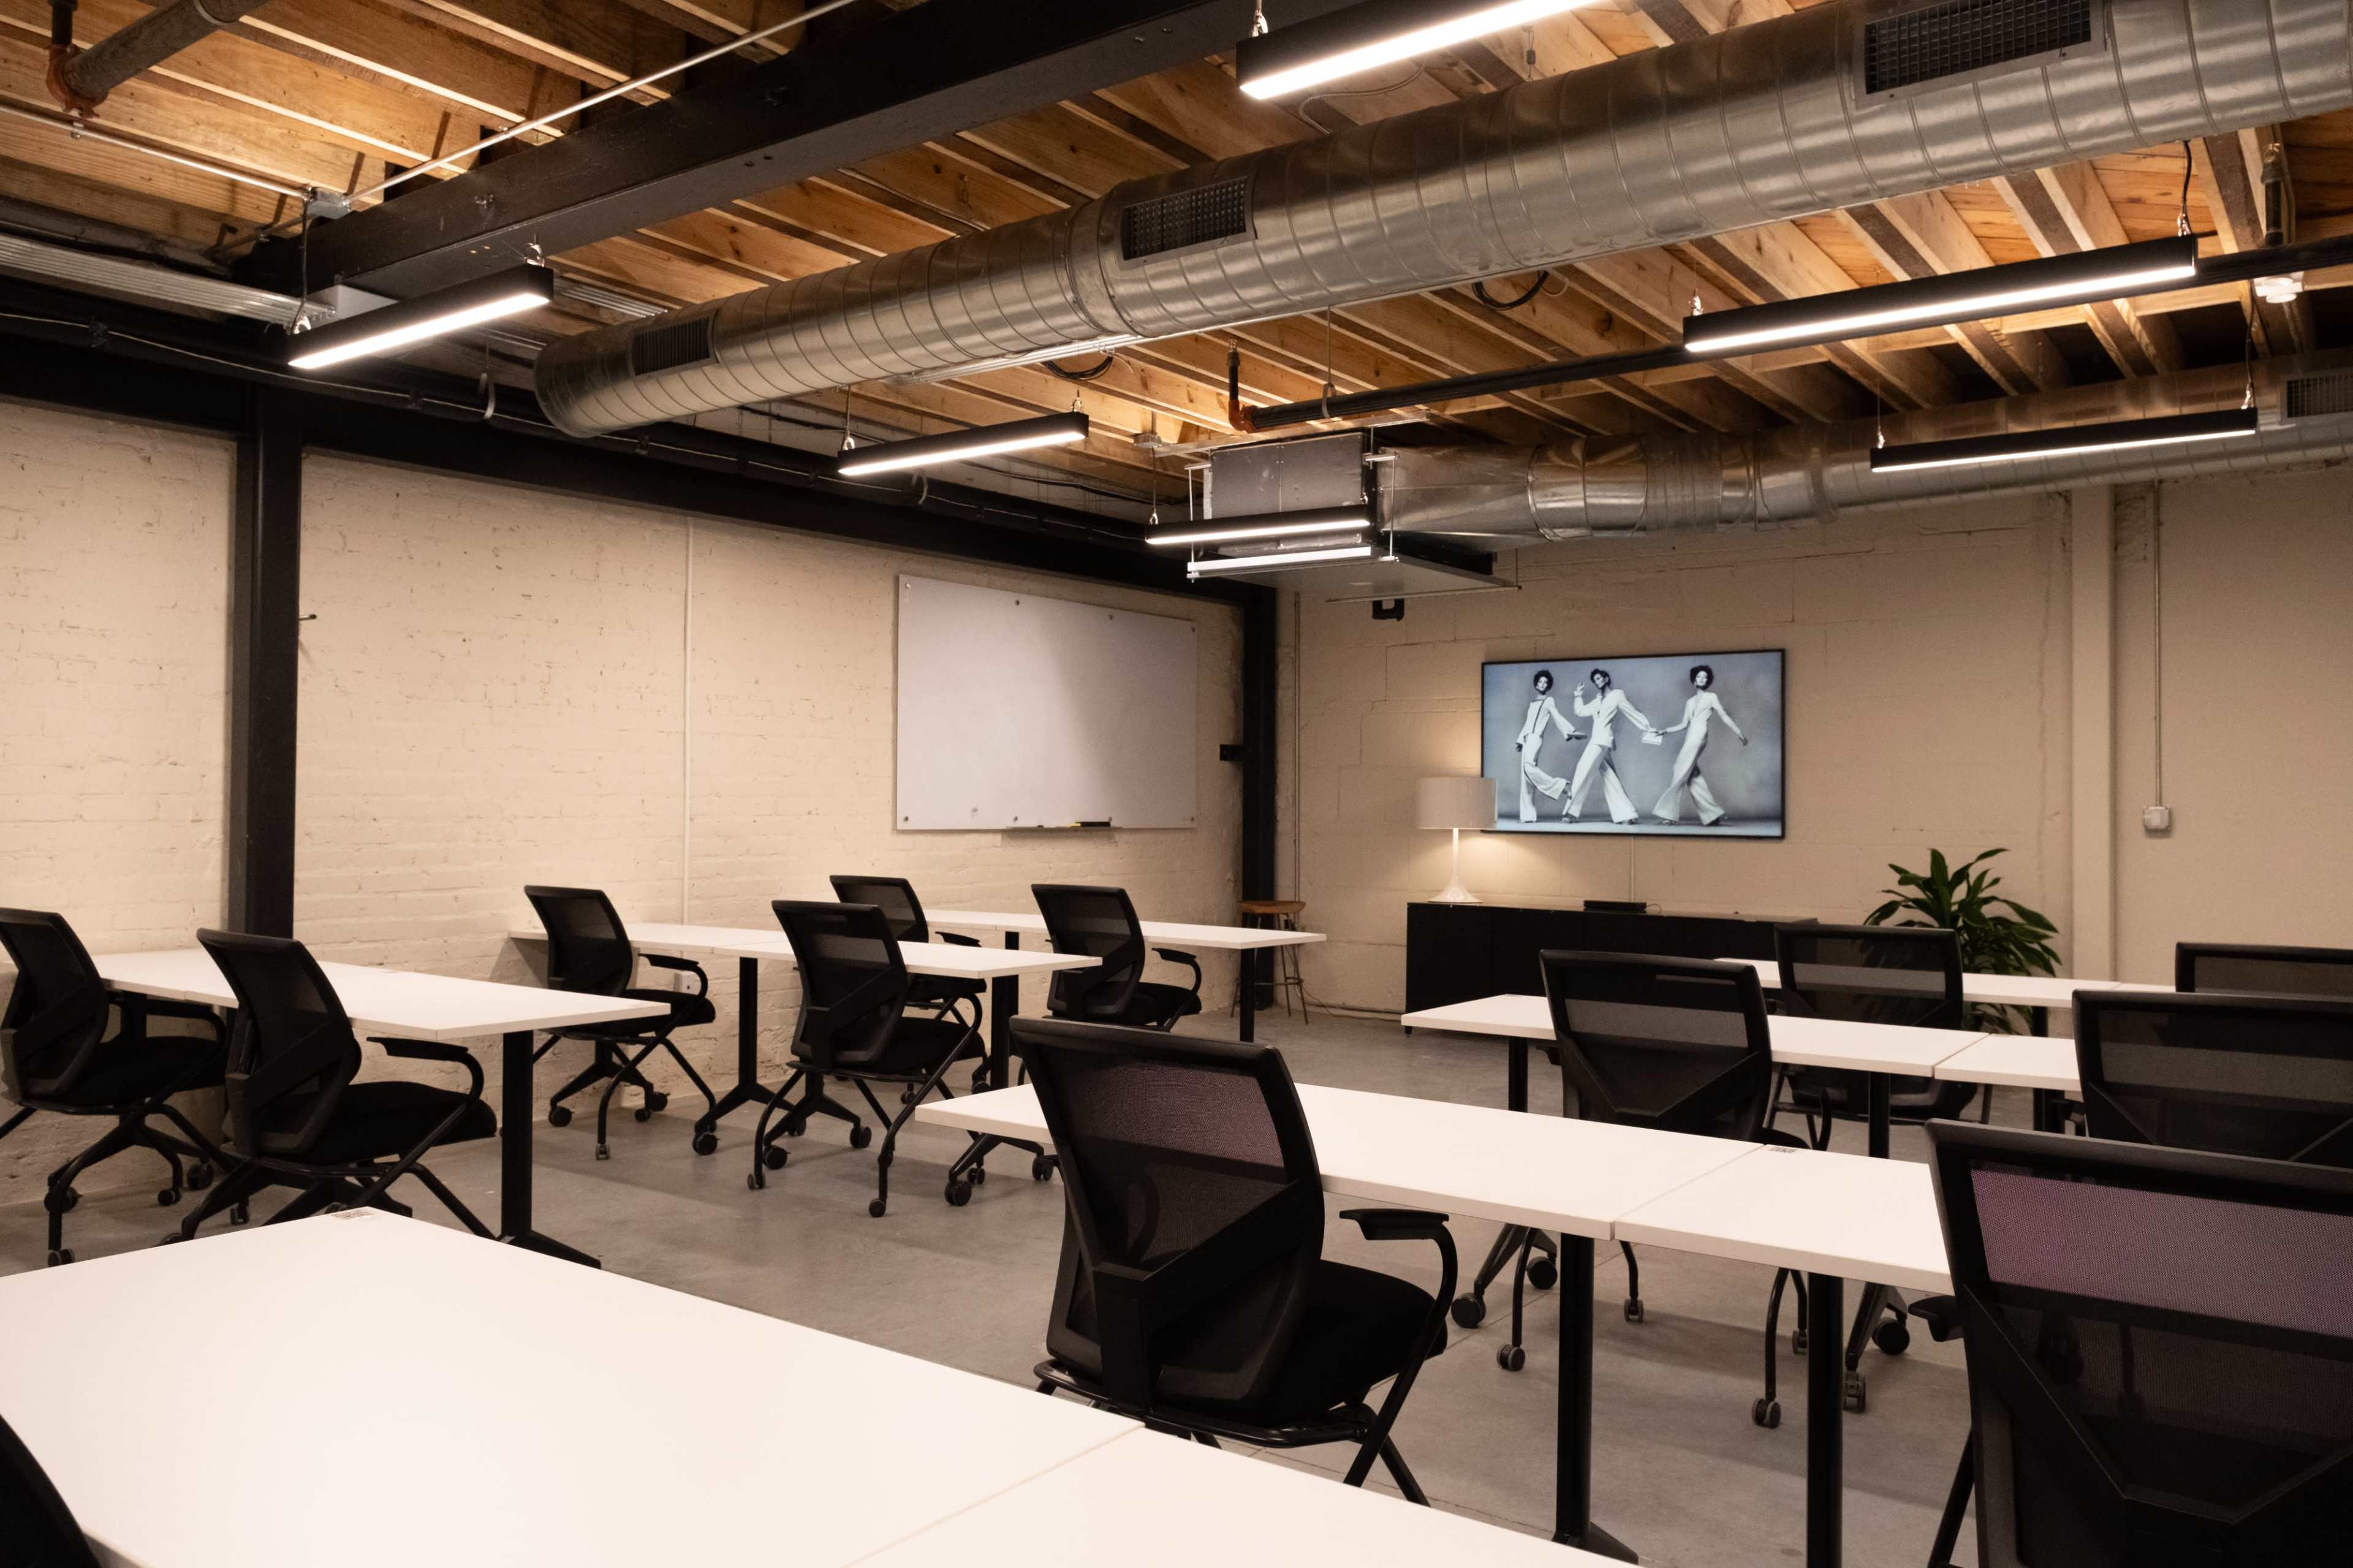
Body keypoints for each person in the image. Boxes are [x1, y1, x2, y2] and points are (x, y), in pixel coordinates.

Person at [1651, 664, 1749, 827]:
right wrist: (1664, 731)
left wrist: (1738, 732)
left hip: (1700, 736)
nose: (1702, 679)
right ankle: (1712, 815)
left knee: (1679, 769)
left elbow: (1723, 715)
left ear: (1708, 681)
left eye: (1705, 677)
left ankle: (1669, 815)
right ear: (1694, 681)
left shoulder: (1712, 697)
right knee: (1692, 775)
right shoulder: (1689, 702)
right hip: (1690, 735)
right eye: (1699, 677)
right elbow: (1684, 725)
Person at [1567, 668, 1653, 825]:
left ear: (1606, 679)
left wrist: (1648, 728)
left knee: (1583, 768)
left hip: (1603, 740)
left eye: (1599, 679)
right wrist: (1578, 695)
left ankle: (1571, 812)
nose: (1597, 682)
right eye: (1595, 681)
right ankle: (1628, 814)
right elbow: (1580, 711)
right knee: (1609, 776)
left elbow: (1631, 711)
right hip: (1597, 740)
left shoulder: (1617, 695)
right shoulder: (1598, 700)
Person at [1513, 669, 1579, 823]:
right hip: (1527, 738)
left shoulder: (1548, 701)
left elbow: (1557, 716)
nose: (1543, 684)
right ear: (1536, 684)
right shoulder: (1532, 703)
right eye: (1540, 682)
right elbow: (1528, 723)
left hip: (1536, 738)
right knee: (1526, 779)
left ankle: (1562, 786)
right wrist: (1520, 741)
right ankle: (1527, 817)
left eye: (1546, 682)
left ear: (1548, 685)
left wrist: (1570, 731)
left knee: (1528, 768)